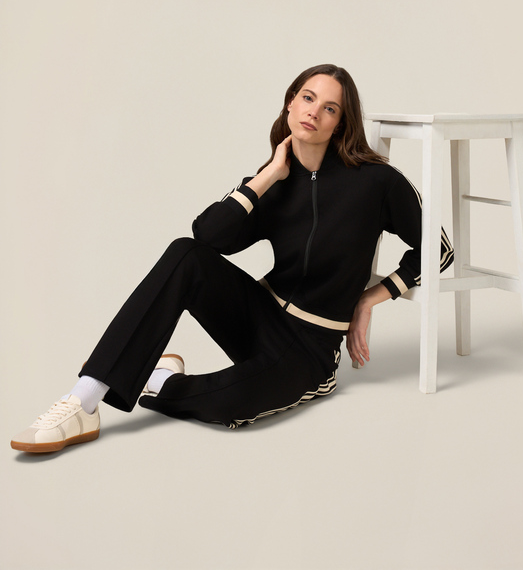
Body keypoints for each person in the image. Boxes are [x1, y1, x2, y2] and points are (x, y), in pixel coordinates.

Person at [11, 64, 453, 452]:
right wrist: (268, 176)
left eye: (330, 108)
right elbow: (206, 237)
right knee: (185, 255)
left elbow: (440, 250)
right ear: (290, 103)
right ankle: (84, 399)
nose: (314, 112)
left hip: (310, 349)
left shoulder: (375, 181)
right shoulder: (272, 181)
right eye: (307, 98)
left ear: (340, 124)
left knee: (231, 405)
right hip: (258, 317)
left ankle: (158, 379)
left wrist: (369, 298)